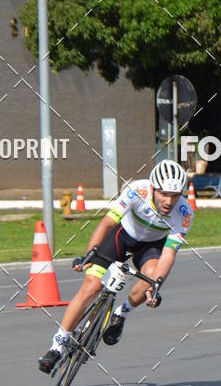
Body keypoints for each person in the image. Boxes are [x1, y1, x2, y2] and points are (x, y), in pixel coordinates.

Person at [37, 160, 193, 373]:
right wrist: (88, 254)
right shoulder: (137, 191)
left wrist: (156, 284)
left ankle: (121, 313)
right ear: (153, 188)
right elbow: (107, 223)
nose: (169, 201)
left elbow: (169, 252)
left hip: (150, 246)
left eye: (175, 195)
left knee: (151, 278)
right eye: (164, 194)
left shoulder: (184, 213)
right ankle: (57, 345)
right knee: (91, 287)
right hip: (122, 236)